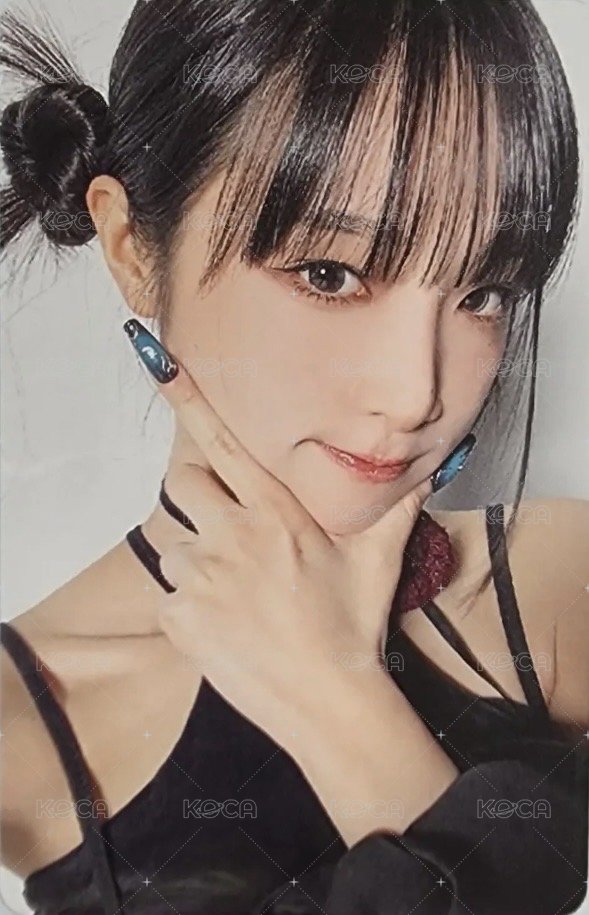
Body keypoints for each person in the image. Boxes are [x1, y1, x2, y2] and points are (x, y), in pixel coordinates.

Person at [0, 1, 588, 913]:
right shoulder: (25, 716)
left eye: (484, 291)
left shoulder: (560, 582)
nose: (417, 394)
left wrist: (332, 687)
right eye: (328, 274)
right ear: (131, 247)